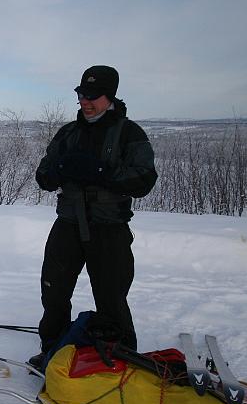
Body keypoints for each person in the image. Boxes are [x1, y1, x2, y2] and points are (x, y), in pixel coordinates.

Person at [31, 65, 157, 367]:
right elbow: (43, 176)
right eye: (81, 95)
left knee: (111, 298)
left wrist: (102, 173)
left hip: (109, 227)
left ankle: (120, 358)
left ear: (109, 96)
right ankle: (53, 349)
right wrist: (60, 168)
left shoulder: (129, 133)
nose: (85, 102)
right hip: (68, 223)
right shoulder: (69, 133)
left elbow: (144, 180)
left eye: (92, 96)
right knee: (54, 292)